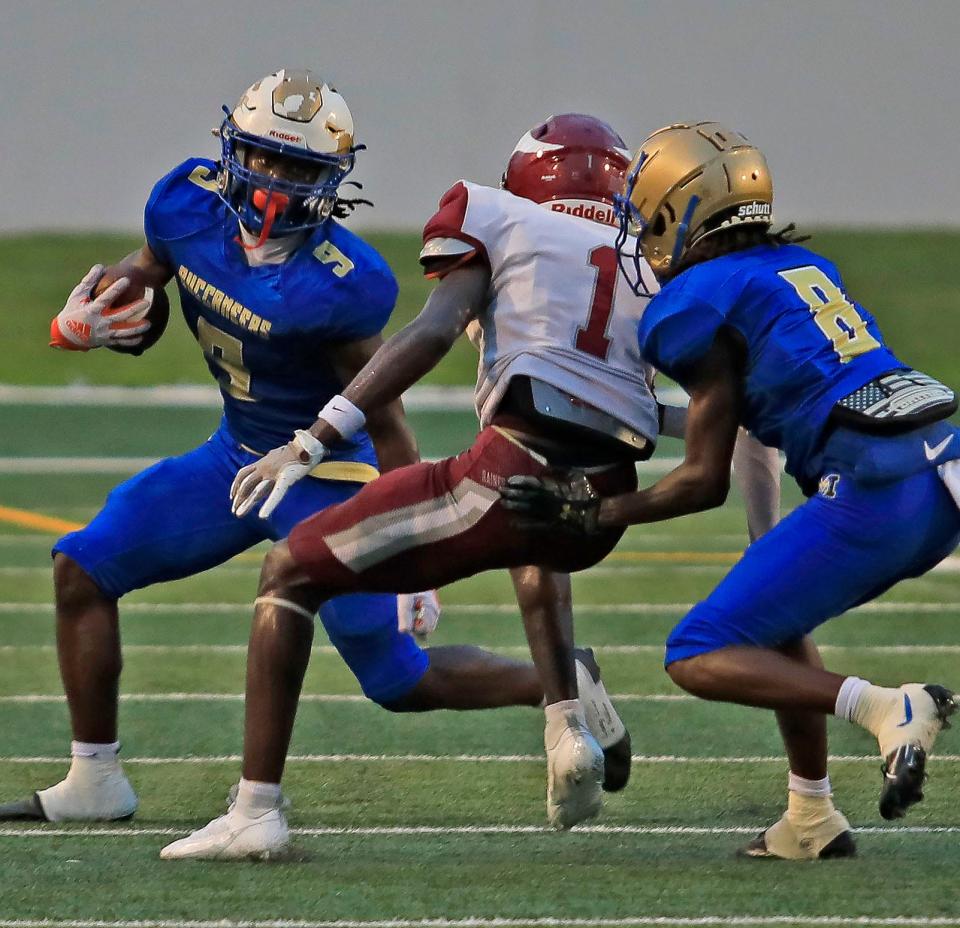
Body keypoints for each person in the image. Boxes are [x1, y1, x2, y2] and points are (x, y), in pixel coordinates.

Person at [0, 74, 627, 828]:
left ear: (331, 180)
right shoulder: (185, 204)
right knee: (82, 567)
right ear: (234, 152)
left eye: (299, 168)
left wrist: (416, 561)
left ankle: (557, 679)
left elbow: (386, 416)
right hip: (235, 457)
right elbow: (150, 274)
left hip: (324, 474)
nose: (276, 181)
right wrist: (100, 312)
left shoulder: (342, 281)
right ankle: (95, 779)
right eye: (265, 158)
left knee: (398, 681)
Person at [161, 114, 782, 861]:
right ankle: (565, 722)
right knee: (536, 524)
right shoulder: (651, 268)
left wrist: (315, 436)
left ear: (527, 180)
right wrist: (764, 537)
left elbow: (428, 333)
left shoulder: (497, 219)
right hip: (601, 504)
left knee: (288, 570)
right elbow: (669, 413)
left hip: (505, 473)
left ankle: (254, 810)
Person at [500, 122, 960, 857]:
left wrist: (594, 510)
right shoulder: (802, 267)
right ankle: (810, 817)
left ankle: (886, 707)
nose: (639, 233)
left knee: (697, 650)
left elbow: (699, 481)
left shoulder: (695, 303)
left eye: (645, 214)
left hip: (878, 488)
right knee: (776, 615)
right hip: (940, 468)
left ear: (677, 214)